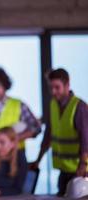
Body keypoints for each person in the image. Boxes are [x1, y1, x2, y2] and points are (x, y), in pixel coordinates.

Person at [30, 68, 88, 196]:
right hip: (64, 170)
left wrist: (83, 166)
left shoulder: (79, 107)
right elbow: (49, 136)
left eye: (57, 87)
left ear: (67, 85)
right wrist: (38, 160)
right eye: (51, 88)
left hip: (80, 171)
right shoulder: (53, 105)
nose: (53, 91)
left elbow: (86, 140)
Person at [0, 67, 41, 157]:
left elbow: (36, 127)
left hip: (16, 155)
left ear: (5, 85)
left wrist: (16, 139)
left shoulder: (18, 105)